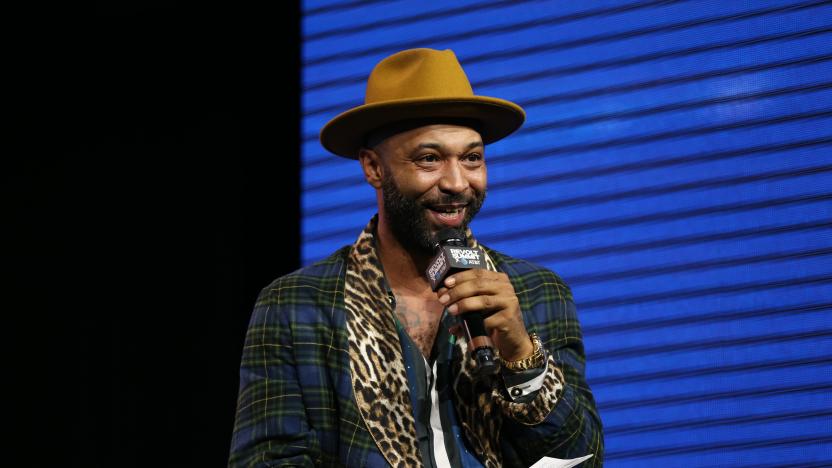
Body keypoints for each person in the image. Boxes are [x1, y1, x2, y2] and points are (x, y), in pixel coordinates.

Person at [228, 48, 603, 467]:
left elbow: (582, 459)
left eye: (472, 158)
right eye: (429, 158)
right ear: (373, 167)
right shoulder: (297, 305)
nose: (457, 182)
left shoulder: (537, 293)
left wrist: (520, 356)